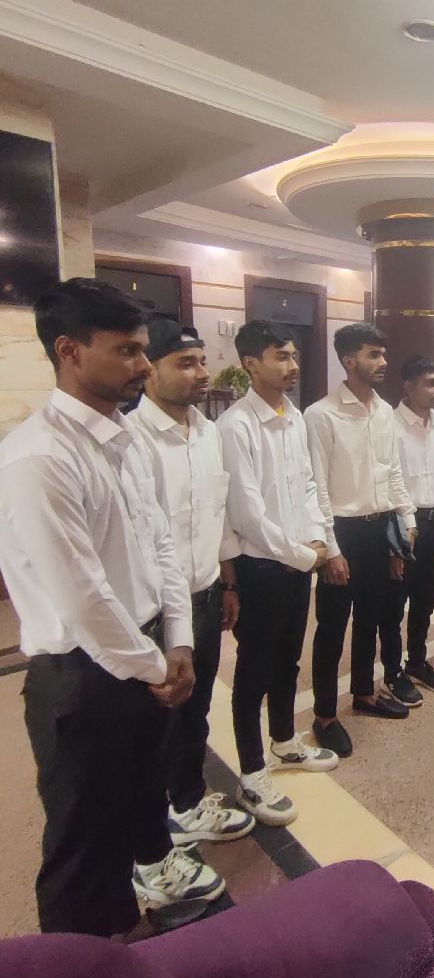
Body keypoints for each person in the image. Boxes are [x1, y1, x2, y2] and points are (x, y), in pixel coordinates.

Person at [0, 279, 224, 939]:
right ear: (69, 351)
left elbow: (160, 544)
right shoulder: (39, 457)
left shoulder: (121, 437)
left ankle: (145, 897)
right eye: (126, 351)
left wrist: (177, 639)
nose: (143, 366)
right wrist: (156, 666)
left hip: (145, 654)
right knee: (84, 848)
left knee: (139, 797)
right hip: (84, 676)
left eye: (143, 350)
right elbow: (82, 594)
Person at [127, 320, 254, 846]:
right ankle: (152, 829)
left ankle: (188, 800)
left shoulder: (208, 432)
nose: (201, 373)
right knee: (154, 721)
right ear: (148, 370)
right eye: (185, 363)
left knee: (196, 707)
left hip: (205, 593)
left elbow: (216, 514)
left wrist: (227, 583)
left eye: (202, 361)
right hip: (154, 610)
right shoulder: (131, 440)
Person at [218, 321, 337, 828]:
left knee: (288, 658)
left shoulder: (294, 418)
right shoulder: (235, 427)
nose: (292, 366)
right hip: (260, 567)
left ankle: (285, 741)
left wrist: (316, 540)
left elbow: (308, 485)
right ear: (250, 365)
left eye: (293, 356)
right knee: (254, 669)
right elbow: (246, 514)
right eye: (280, 357)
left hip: (297, 559)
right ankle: (251, 773)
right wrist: (303, 554)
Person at [306, 323, 415, 752]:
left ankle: (365, 693)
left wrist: (403, 528)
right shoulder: (321, 415)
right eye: (373, 354)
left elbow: (392, 473)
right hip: (342, 531)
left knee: (371, 617)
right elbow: (316, 487)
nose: (383, 361)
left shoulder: (384, 411)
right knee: (332, 628)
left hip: (378, 528)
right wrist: (331, 549)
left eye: (383, 353)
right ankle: (325, 715)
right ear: (349, 361)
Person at [393, 355, 434, 694]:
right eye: (431, 383)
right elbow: (390, 484)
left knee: (426, 599)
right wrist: (399, 537)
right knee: (394, 605)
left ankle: (416, 661)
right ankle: (393, 672)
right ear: (408, 386)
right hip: (406, 525)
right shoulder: (391, 426)